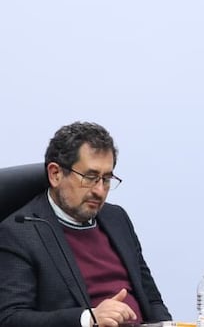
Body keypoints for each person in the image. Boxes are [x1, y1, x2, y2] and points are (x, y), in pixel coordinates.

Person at [0, 122, 172, 327]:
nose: (100, 191)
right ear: (55, 174)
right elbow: (11, 319)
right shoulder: (20, 231)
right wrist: (88, 318)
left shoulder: (117, 218)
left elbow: (151, 300)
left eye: (107, 179)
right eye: (90, 178)